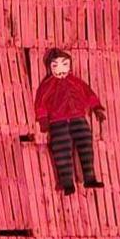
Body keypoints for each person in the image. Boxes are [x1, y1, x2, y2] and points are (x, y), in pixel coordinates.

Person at [33, 48, 107, 195]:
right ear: (50, 67)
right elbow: (40, 103)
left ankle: (89, 177)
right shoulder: (47, 86)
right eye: (56, 65)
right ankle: (67, 183)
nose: (61, 69)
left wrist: (97, 108)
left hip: (78, 118)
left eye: (64, 64)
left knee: (86, 145)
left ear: (69, 65)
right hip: (57, 122)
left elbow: (88, 93)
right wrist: (43, 120)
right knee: (61, 150)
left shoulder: (76, 82)